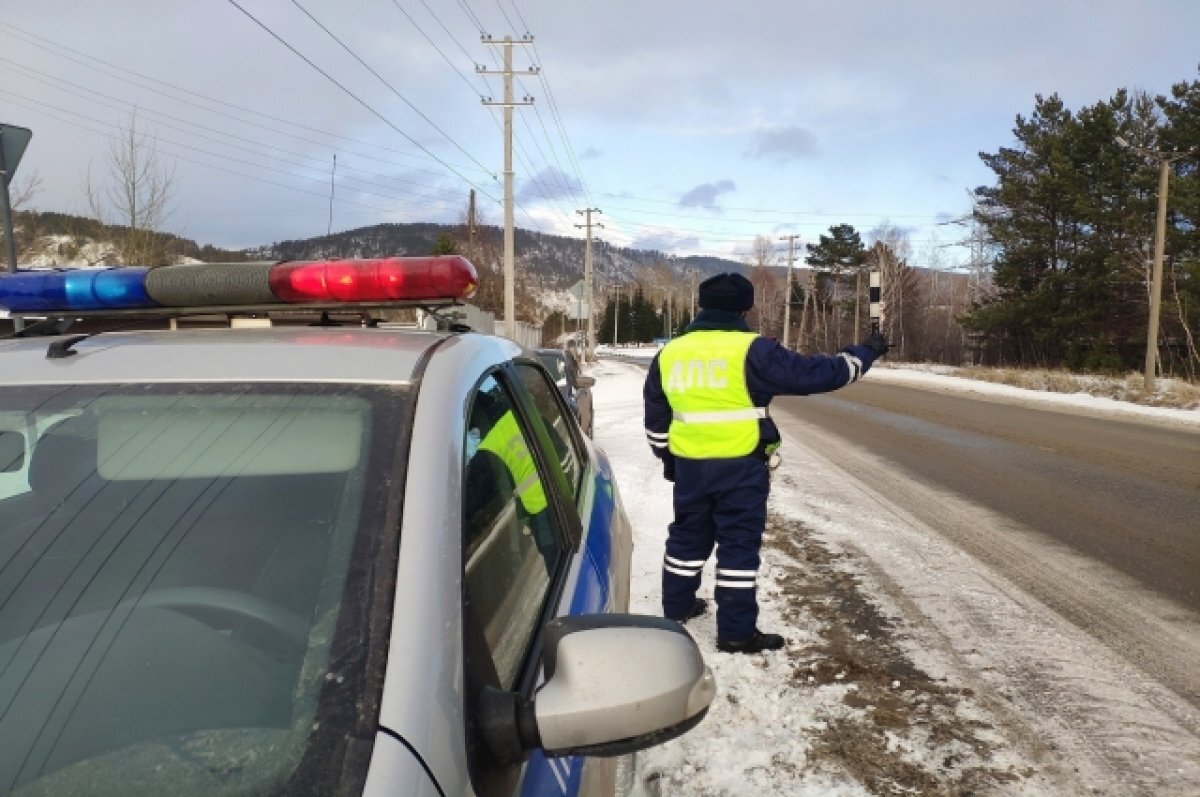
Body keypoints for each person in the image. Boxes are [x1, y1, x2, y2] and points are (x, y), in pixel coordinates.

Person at [643, 272, 889, 654]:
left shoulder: (670, 353)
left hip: (691, 466)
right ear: (746, 307)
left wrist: (668, 459)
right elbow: (819, 374)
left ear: (702, 306)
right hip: (741, 466)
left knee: (687, 536)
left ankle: (676, 607)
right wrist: (866, 352)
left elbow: (656, 418)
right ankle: (736, 633)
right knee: (738, 545)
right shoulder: (754, 351)